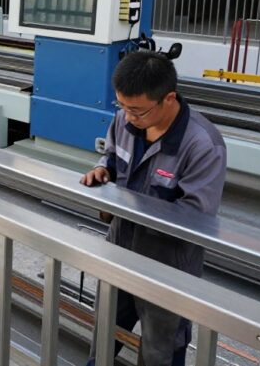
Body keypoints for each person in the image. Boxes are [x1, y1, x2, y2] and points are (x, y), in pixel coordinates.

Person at [81, 51, 226, 366]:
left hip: (168, 264)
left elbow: (195, 218)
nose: (128, 116)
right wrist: (103, 171)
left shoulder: (202, 145)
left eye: (137, 110)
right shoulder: (124, 120)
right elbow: (110, 157)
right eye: (122, 106)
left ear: (169, 98)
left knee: (161, 347)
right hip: (120, 247)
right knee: (106, 327)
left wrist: (131, 204)